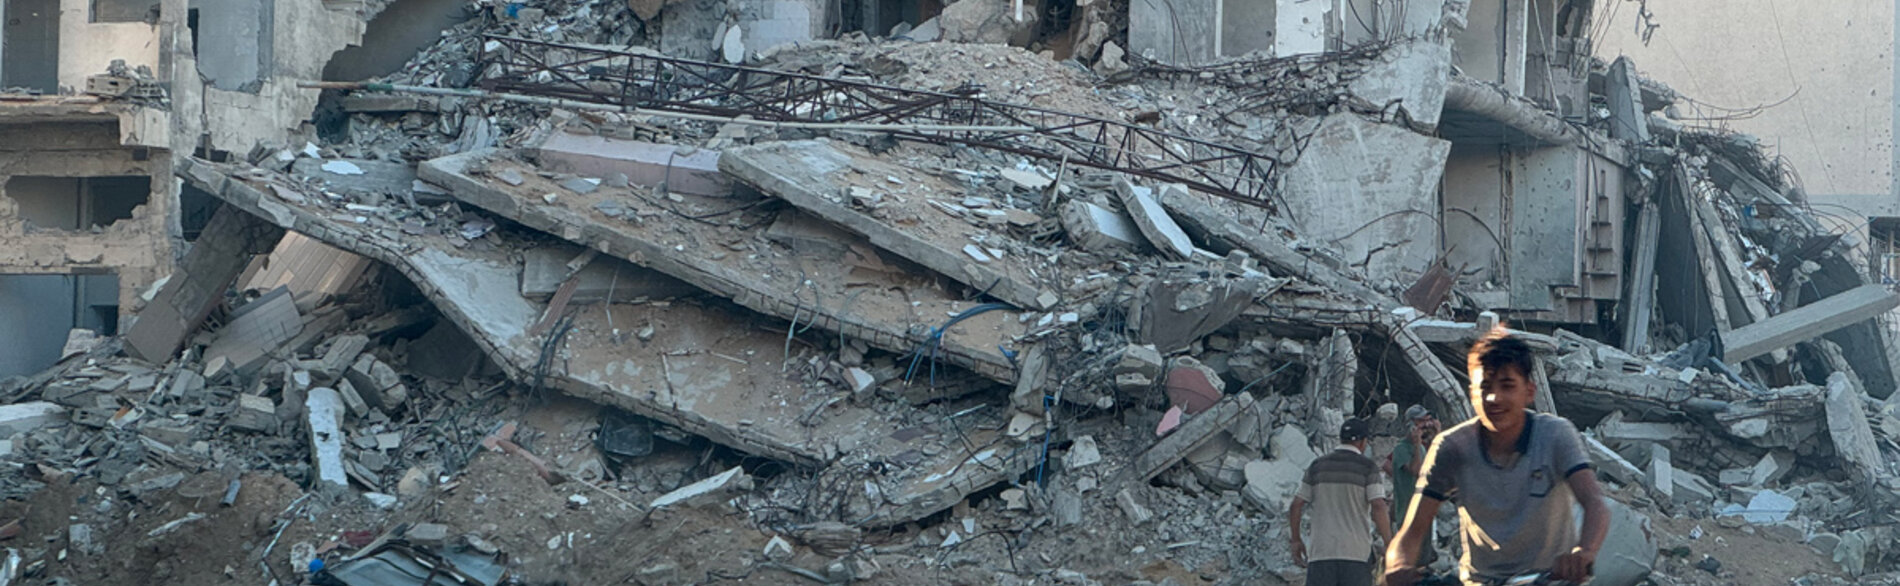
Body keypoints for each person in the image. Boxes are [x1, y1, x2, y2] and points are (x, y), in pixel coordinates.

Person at [1385, 330, 1609, 586]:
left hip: (1547, 578)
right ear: (1472, 393)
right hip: (1481, 580)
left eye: (1507, 386)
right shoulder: (1453, 448)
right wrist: (1399, 565)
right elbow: (1413, 531)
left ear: (1529, 391)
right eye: (1485, 387)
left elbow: (1594, 502)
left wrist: (1585, 552)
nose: (1494, 398)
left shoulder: (1555, 435)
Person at [1289, 418, 1392, 586]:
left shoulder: (1317, 466)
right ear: (1363, 442)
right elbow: (1379, 506)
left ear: (1341, 439)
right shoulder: (1367, 467)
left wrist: (1295, 540)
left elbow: (1296, 505)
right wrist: (1389, 544)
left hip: (1321, 553)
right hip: (1356, 554)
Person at [1383, 405, 1441, 564]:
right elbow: (1417, 470)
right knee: (1410, 563)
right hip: (1408, 515)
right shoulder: (1402, 449)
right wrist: (1416, 444)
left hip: (1423, 513)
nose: (1425, 425)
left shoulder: (1422, 447)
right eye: (1421, 421)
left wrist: (1437, 436)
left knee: (1424, 562)